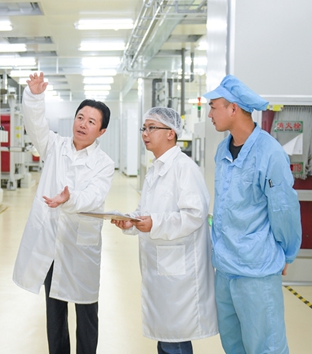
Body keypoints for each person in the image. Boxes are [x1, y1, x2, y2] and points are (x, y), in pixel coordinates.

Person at [12, 72, 115, 354]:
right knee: (55, 312)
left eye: (91, 121)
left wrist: (70, 199)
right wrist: (35, 97)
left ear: (101, 131)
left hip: (81, 247)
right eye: (80, 117)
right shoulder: (54, 147)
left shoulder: (104, 164)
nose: (83, 124)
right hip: (52, 244)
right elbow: (35, 125)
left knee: (86, 312)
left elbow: (94, 197)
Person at [203, 75, 302, 354]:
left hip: (256, 270)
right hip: (225, 268)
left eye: (214, 107)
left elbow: (284, 209)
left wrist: (286, 252)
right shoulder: (222, 149)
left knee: (265, 347)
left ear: (233, 108)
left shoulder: (269, 152)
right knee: (233, 345)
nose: (210, 114)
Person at [114, 107, 218, 354]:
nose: (145, 134)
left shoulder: (184, 168)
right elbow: (146, 211)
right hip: (162, 270)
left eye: (152, 128)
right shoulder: (156, 169)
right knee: (166, 338)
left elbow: (195, 215)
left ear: (171, 133)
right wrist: (130, 221)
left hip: (179, 274)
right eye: (144, 128)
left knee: (175, 340)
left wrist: (156, 223)